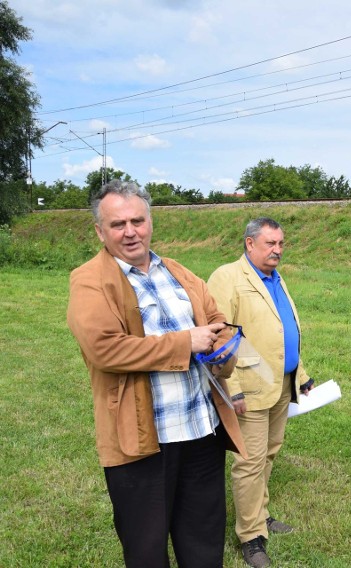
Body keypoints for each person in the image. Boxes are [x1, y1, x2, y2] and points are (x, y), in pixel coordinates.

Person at [67, 180, 247, 568]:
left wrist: (221, 347)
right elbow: (105, 348)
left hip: (201, 431)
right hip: (142, 442)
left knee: (203, 545)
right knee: (146, 551)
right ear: (100, 231)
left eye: (137, 220)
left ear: (151, 221)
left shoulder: (177, 271)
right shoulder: (88, 280)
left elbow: (217, 321)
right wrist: (186, 343)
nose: (130, 231)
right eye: (118, 224)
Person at [207, 217, 314, 568]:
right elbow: (220, 334)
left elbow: (283, 327)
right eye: (270, 244)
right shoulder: (228, 277)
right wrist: (231, 388)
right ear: (249, 243)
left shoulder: (275, 278)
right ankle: (251, 536)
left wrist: (301, 373)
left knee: (269, 452)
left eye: (281, 244)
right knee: (249, 463)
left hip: (280, 383)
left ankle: (258, 514)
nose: (278, 250)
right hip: (249, 387)